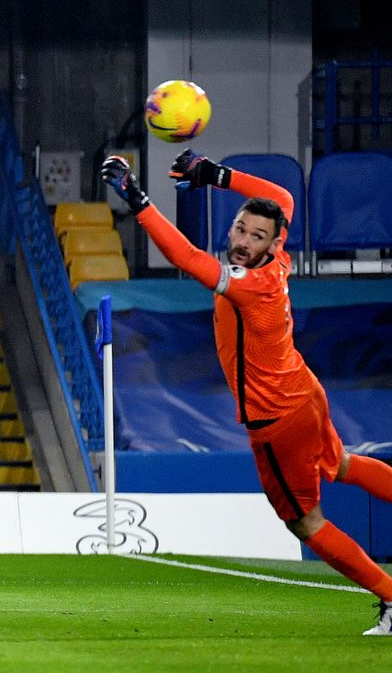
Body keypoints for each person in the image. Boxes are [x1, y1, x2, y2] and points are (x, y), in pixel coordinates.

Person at [101, 149, 392, 637]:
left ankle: (388, 595)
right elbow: (278, 196)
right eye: (240, 228)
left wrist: (139, 199)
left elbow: (184, 257)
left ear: (273, 243)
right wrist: (214, 174)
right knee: (339, 465)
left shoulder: (249, 284)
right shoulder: (278, 257)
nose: (242, 241)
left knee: (305, 522)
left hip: (276, 420)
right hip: (304, 390)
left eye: (256, 237)